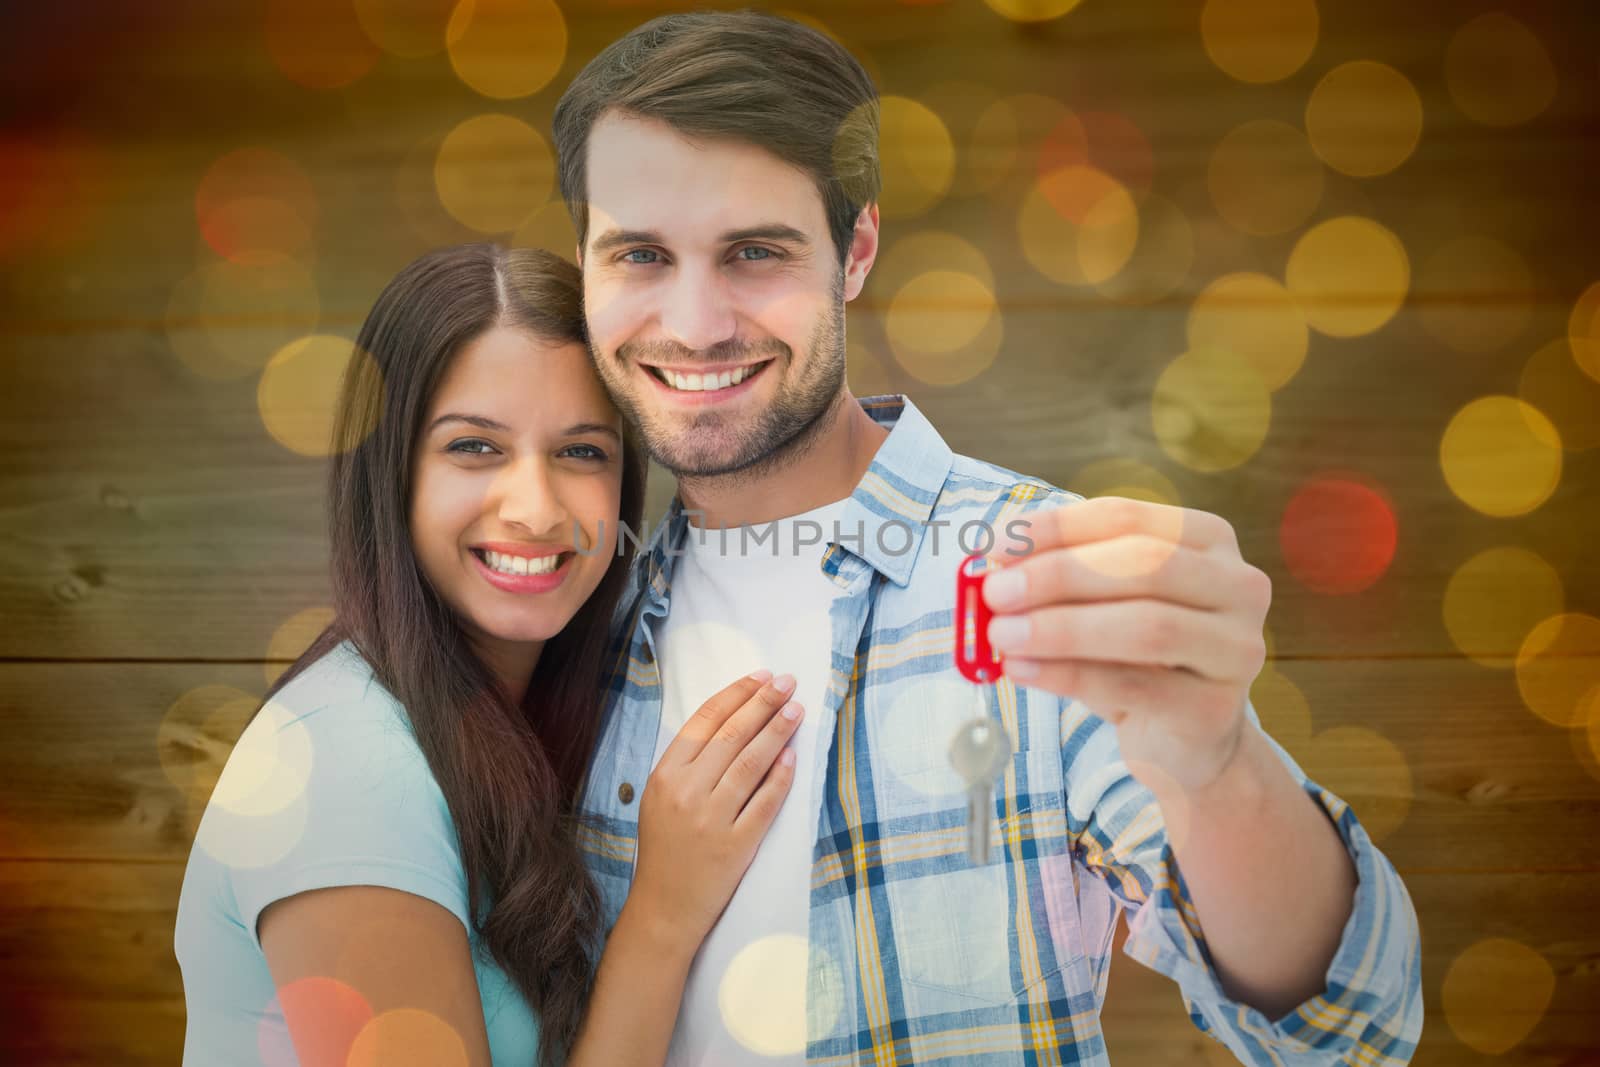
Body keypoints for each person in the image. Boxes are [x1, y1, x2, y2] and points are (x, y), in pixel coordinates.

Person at [552, 10, 1424, 1065]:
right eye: (640, 253)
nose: (693, 323)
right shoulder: (569, 625)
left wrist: (1217, 762)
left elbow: (1348, 1027)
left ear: (855, 249)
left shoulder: (1037, 572)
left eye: (754, 251)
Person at [173, 243, 810, 1066]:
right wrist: (661, 914)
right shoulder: (347, 771)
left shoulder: (520, 720)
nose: (537, 510)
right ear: (391, 470)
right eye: (474, 447)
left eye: (583, 451)